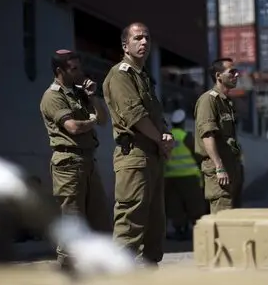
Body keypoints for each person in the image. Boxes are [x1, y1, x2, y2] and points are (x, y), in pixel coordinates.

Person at [102, 22, 174, 266]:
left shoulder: (144, 78)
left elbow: (155, 115)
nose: (144, 42)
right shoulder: (120, 75)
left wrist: (166, 135)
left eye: (147, 38)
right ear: (125, 45)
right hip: (133, 157)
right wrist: (159, 139)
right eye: (138, 38)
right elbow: (135, 116)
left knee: (155, 226)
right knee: (130, 222)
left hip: (151, 156)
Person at [39, 49, 112, 270]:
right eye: (74, 69)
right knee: (72, 222)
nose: (80, 72)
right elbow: (72, 127)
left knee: (100, 220)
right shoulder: (53, 96)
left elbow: (104, 119)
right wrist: (91, 119)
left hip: (88, 162)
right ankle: (67, 270)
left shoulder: (79, 93)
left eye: (80, 67)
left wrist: (92, 96)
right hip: (68, 165)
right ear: (60, 71)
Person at [194, 58, 244, 214]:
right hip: (220, 172)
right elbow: (207, 135)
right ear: (218, 76)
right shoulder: (208, 101)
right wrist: (219, 167)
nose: (237, 74)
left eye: (237, 71)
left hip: (232, 169)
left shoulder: (226, 102)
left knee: (234, 219)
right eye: (232, 72)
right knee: (223, 217)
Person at [164, 109, 206, 241]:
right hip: (188, 178)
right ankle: (196, 230)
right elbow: (198, 155)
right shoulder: (186, 137)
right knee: (193, 204)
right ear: (182, 123)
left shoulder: (167, 136)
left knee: (175, 204)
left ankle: (179, 230)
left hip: (170, 177)